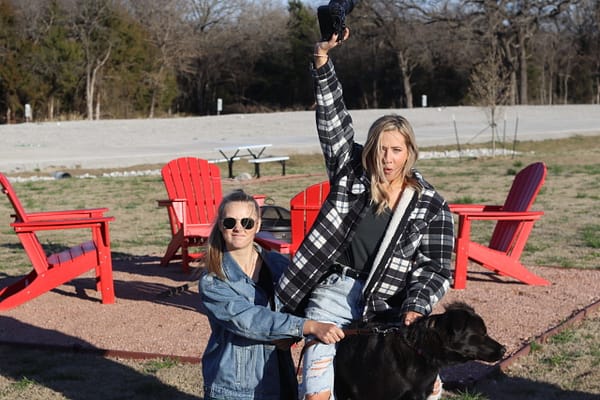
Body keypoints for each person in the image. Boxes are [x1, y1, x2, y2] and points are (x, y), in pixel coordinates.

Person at [276, 30, 455, 400]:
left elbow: (435, 267)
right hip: (333, 294)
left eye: (396, 150)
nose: (387, 159)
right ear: (370, 150)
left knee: (412, 385)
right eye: (380, 149)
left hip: (388, 305)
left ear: (409, 153)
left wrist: (415, 307)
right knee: (316, 387)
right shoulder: (350, 175)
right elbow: (332, 122)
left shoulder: (430, 205)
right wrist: (322, 61)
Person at [199, 190, 345, 400]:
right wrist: (307, 327)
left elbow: (300, 302)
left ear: (258, 225)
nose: (238, 228)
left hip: (280, 378)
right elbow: (248, 320)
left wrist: (292, 335)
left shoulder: (278, 265)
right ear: (221, 226)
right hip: (236, 388)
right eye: (230, 222)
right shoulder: (214, 280)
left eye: (247, 222)